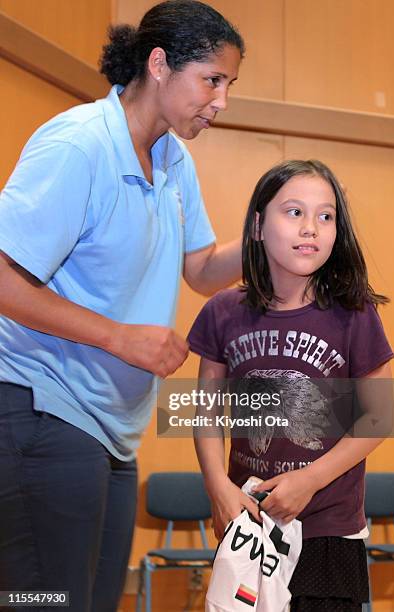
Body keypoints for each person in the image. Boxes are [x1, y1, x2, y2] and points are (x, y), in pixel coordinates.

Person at [0, 1, 245, 610]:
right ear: (159, 64)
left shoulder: (172, 158)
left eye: (229, 85)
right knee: (46, 602)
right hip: (42, 413)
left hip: (111, 433)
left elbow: (201, 269)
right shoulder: (79, 145)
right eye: (212, 80)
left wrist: (272, 230)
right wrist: (118, 337)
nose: (221, 101)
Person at [188, 159, 394, 611]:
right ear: (258, 226)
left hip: (329, 528)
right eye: (294, 212)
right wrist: (217, 487)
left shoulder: (354, 312)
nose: (311, 229)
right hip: (251, 522)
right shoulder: (223, 311)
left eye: (325, 216)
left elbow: (381, 415)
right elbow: (202, 411)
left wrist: (309, 480)